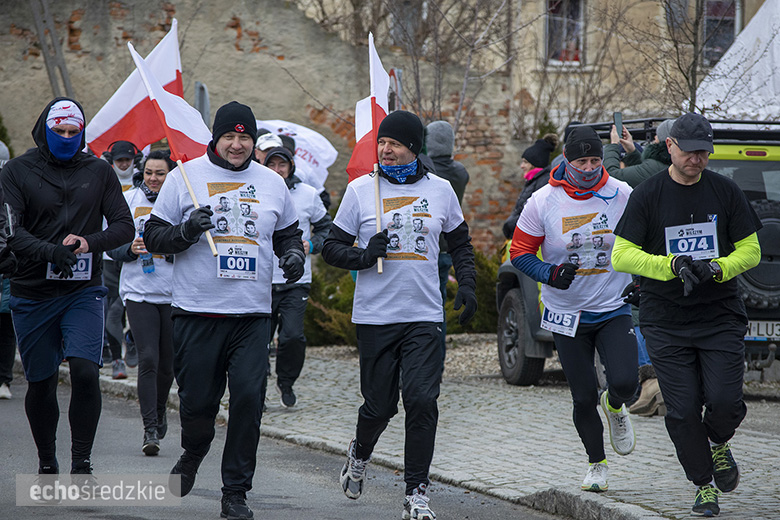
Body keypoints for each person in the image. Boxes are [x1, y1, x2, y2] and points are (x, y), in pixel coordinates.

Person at [143, 101, 305, 520]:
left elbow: (288, 234)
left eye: (245, 137)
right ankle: (193, 452)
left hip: (251, 315)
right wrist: (186, 230)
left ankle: (235, 492)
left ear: (254, 141)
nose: (237, 145)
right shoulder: (185, 177)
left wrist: (292, 257)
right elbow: (155, 236)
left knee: (250, 400)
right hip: (197, 312)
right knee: (198, 406)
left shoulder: (271, 182)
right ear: (215, 138)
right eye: (230, 136)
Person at [322, 110, 477, 520]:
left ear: (414, 148)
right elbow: (331, 247)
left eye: (395, 144)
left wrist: (468, 284)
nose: (386, 150)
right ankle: (360, 453)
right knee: (379, 407)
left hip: (424, 315)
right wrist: (362, 254)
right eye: (382, 143)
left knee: (423, 400)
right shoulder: (361, 190)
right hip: (376, 316)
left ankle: (417, 493)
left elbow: (461, 243)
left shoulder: (442, 190)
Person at [612, 112, 761, 517]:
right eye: (690, 151)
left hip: (719, 316)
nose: (697, 159)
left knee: (725, 402)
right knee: (681, 409)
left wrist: (718, 267)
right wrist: (671, 265)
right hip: (666, 319)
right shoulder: (648, 195)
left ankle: (718, 443)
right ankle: (703, 484)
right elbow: (621, 254)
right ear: (671, 147)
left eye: (704, 152)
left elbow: (751, 249)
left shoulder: (726, 191)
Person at [0, 97, 134, 475]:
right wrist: (50, 252)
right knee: (41, 381)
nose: (66, 137)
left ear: (83, 133)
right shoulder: (17, 171)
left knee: (86, 371)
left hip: (82, 290)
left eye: (73, 132)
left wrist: (88, 243)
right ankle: (46, 458)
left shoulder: (100, 172)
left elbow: (125, 225)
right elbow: (10, 232)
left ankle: (81, 459)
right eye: (58, 131)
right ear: (44, 129)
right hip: (32, 289)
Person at [509, 126, 638, 493]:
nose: (589, 167)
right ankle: (596, 464)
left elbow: (645, 239)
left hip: (613, 306)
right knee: (582, 396)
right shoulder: (543, 200)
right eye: (581, 160)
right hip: (567, 312)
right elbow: (519, 252)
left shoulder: (620, 194)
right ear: (565, 159)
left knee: (626, 383)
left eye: (596, 159)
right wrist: (548, 272)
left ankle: (615, 406)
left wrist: (643, 279)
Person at [107, 149, 176, 456]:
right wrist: (130, 249)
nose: (153, 178)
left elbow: (192, 242)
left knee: (168, 363)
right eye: (149, 172)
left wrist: (171, 246)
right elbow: (112, 246)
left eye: (160, 173)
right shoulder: (129, 199)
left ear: (170, 174)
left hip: (175, 294)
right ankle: (150, 427)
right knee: (148, 358)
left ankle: (159, 409)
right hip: (139, 292)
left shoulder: (180, 201)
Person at [263, 146, 331, 408]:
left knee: (292, 336)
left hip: (296, 280)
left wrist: (312, 245)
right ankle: (258, 386)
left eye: (282, 165)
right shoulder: (258, 190)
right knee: (259, 339)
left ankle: (287, 380)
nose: (278, 170)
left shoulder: (307, 194)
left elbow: (326, 227)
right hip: (262, 280)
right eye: (272, 165)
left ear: (291, 167)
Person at [425, 120, 470, 361]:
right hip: (446, 249)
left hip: (428, 248)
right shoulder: (460, 172)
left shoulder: (428, 173)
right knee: (438, 307)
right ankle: (437, 363)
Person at [102, 140, 143, 378]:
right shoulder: (106, 180)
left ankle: (133, 338)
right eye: (120, 161)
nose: (124, 164)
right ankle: (117, 358)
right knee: (113, 309)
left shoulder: (143, 182)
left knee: (131, 306)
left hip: (137, 252)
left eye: (128, 160)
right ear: (112, 162)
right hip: (110, 255)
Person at [502, 133, 559, 240]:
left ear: (535, 164)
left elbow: (534, 214)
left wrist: (511, 224)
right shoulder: (533, 181)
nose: (521, 166)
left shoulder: (543, 183)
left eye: (525, 162)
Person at [604, 119, 674, 189]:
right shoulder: (671, 162)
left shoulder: (655, 167)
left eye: (657, 135)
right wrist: (632, 151)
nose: (655, 137)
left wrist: (613, 144)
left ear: (668, 142)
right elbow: (645, 171)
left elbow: (611, 177)